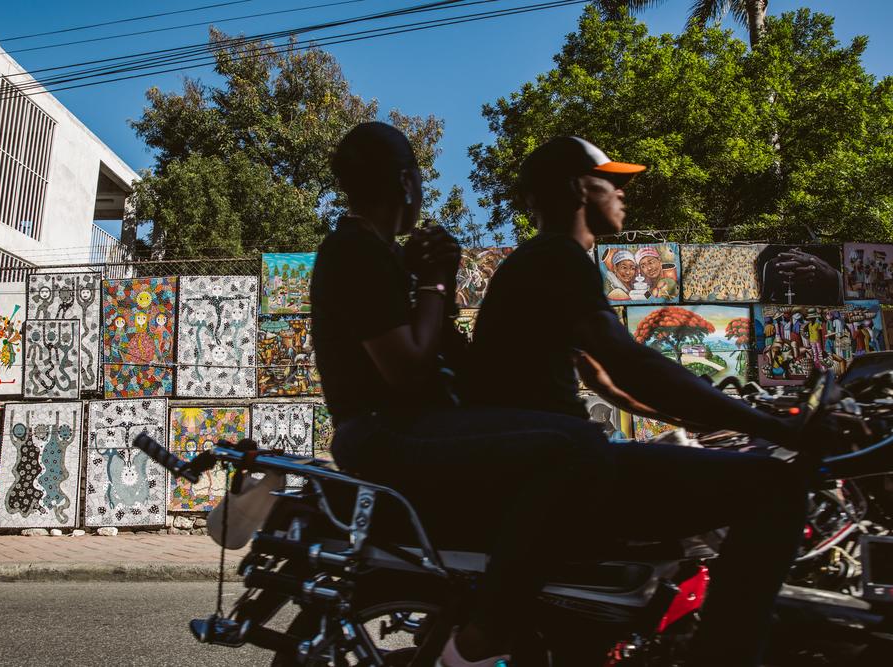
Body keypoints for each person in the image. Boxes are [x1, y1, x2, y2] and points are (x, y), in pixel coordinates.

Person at [466, 136, 811, 667]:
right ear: (581, 188)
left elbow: (603, 378)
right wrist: (771, 424)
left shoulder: (545, 263)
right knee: (775, 487)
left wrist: (684, 418)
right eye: (614, 182)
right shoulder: (558, 258)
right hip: (561, 471)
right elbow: (630, 361)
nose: (625, 194)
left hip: (547, 467)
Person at [312, 123, 619, 667]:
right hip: (386, 431)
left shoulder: (379, 256)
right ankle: (487, 633)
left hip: (403, 427)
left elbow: (443, 353)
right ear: (407, 183)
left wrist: (435, 287)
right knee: (572, 445)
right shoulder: (354, 250)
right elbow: (406, 367)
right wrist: (432, 281)